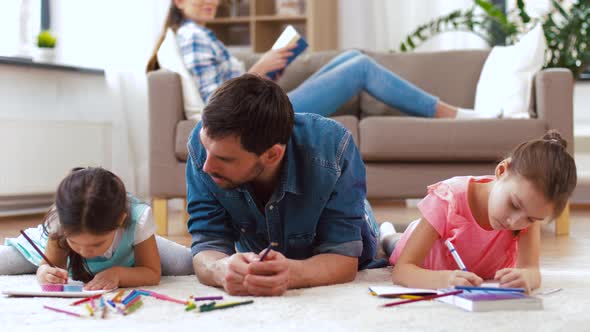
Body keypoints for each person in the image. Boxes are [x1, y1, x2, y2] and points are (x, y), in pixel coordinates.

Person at [186, 74, 385, 297]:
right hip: (268, 241)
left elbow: (343, 259)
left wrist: (293, 274)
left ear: (272, 155)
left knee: (371, 242)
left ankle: (388, 235)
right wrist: (219, 269)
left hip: (352, 217)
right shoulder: (205, 145)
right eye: (206, 149)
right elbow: (207, 243)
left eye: (224, 159)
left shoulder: (334, 149)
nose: (206, 166)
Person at [146, 0, 490, 119]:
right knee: (359, 66)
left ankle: (449, 113)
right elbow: (216, 104)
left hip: (256, 103)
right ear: (178, 2)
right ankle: (452, 115)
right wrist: (258, 69)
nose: (209, 2)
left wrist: (266, 71)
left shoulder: (201, 36)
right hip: (250, 116)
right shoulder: (191, 37)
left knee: (354, 58)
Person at [380, 130, 577, 293]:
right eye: (514, 205)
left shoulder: (527, 213)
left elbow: (532, 271)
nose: (514, 222)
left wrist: (527, 277)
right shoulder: (449, 198)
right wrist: (444, 279)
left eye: (531, 218)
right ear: (502, 171)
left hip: (466, 265)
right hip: (423, 251)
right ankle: (386, 233)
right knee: (393, 243)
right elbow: (402, 271)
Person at [0, 167, 193, 289]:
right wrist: (44, 271)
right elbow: (51, 265)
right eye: (74, 242)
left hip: (129, 253)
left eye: (97, 243)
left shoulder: (138, 219)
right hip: (56, 254)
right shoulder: (60, 221)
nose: (84, 251)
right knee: (6, 261)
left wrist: (118, 274)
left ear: (120, 221)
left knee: (188, 263)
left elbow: (151, 273)